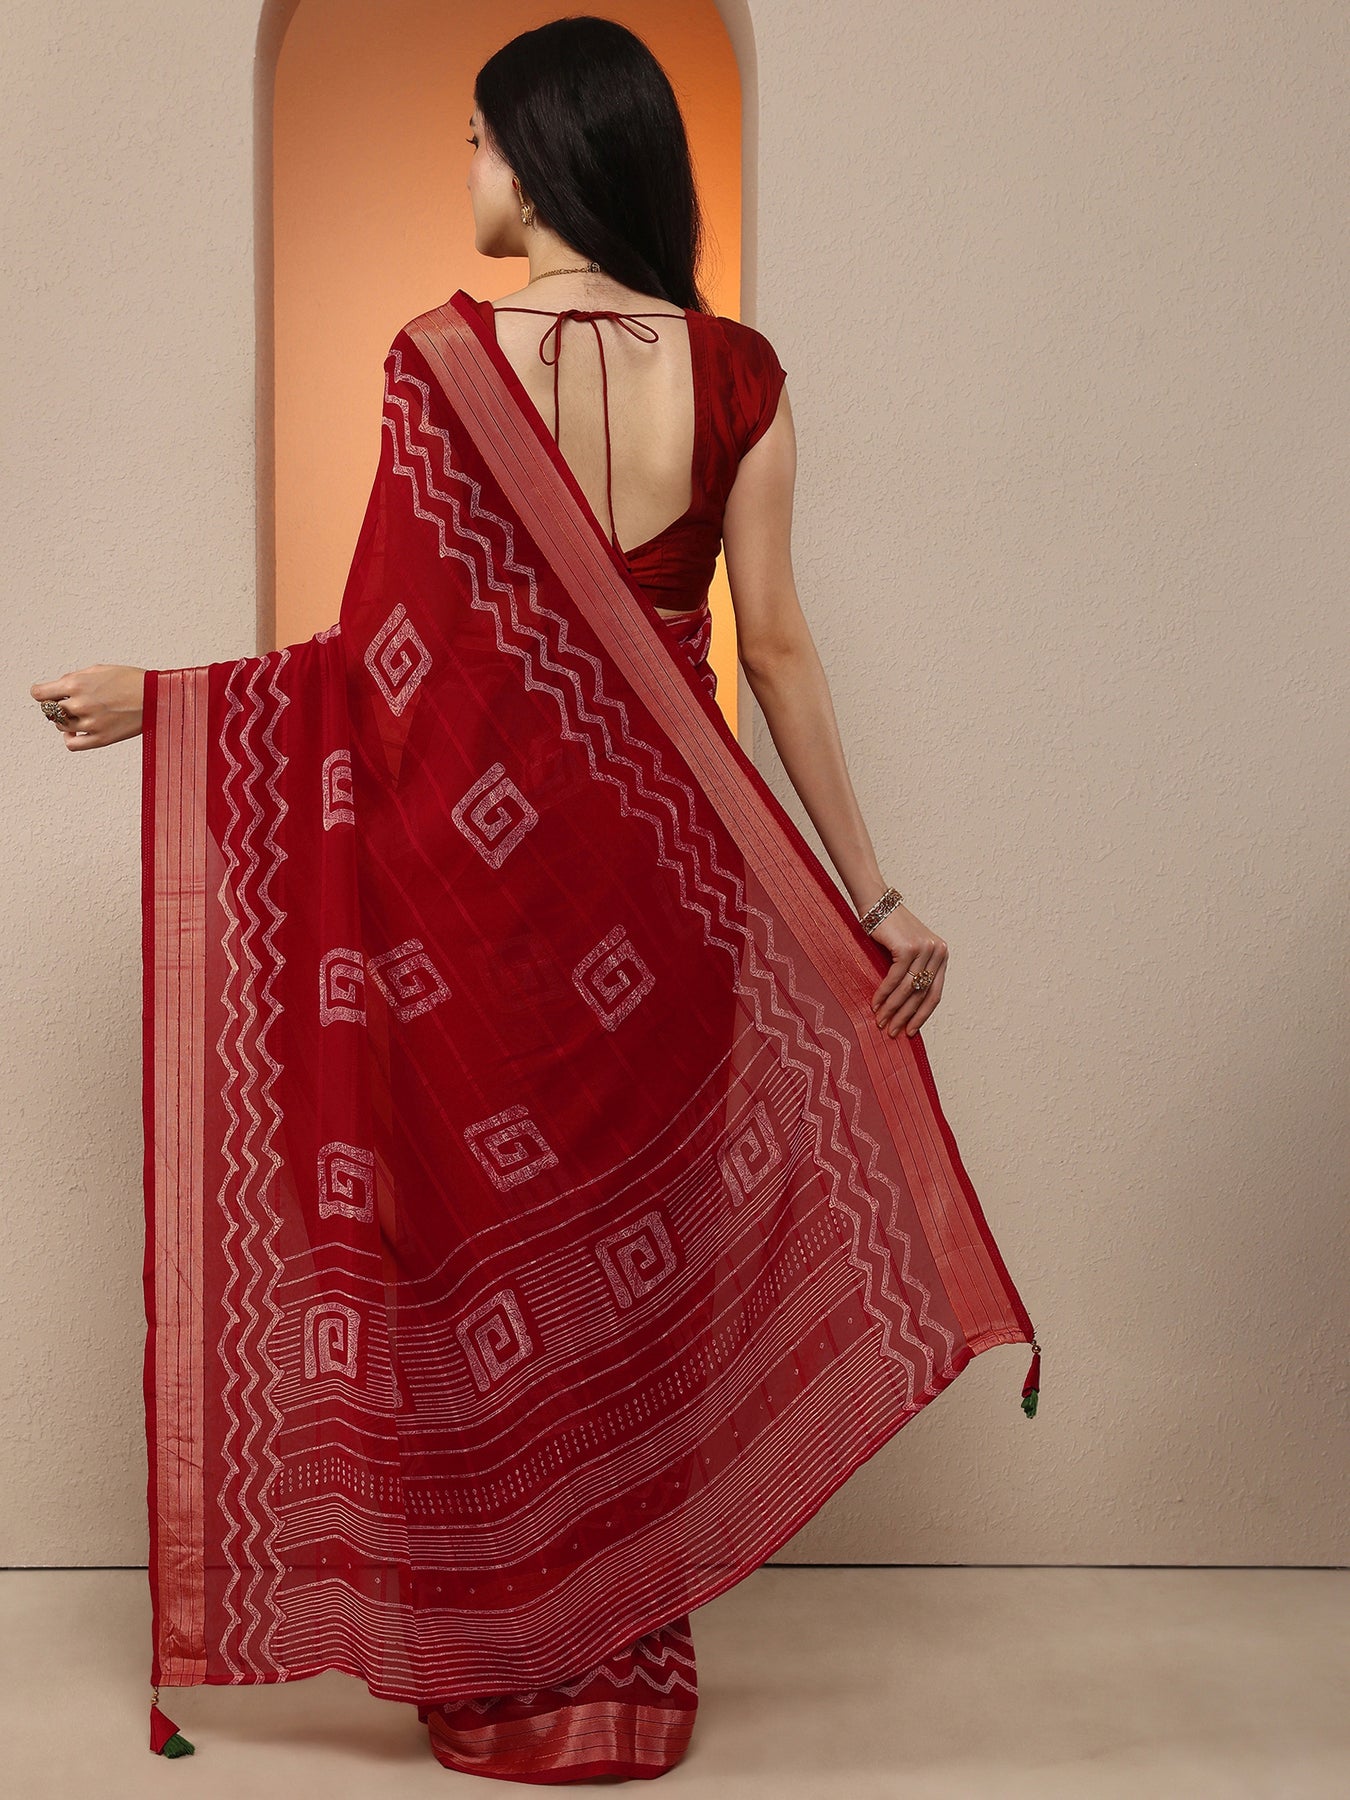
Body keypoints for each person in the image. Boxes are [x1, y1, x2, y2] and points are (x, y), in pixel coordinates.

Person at [30, 15, 1038, 1786]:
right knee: (636, 1261)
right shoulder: (736, 375)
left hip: (476, 910)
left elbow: (376, 665)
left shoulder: (441, 362)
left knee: (476, 1251)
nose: (469, 170)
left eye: (479, 140)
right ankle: (623, 1648)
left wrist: (172, 704)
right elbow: (775, 650)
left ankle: (504, 1645)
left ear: (545, 154)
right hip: (672, 889)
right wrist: (872, 895)